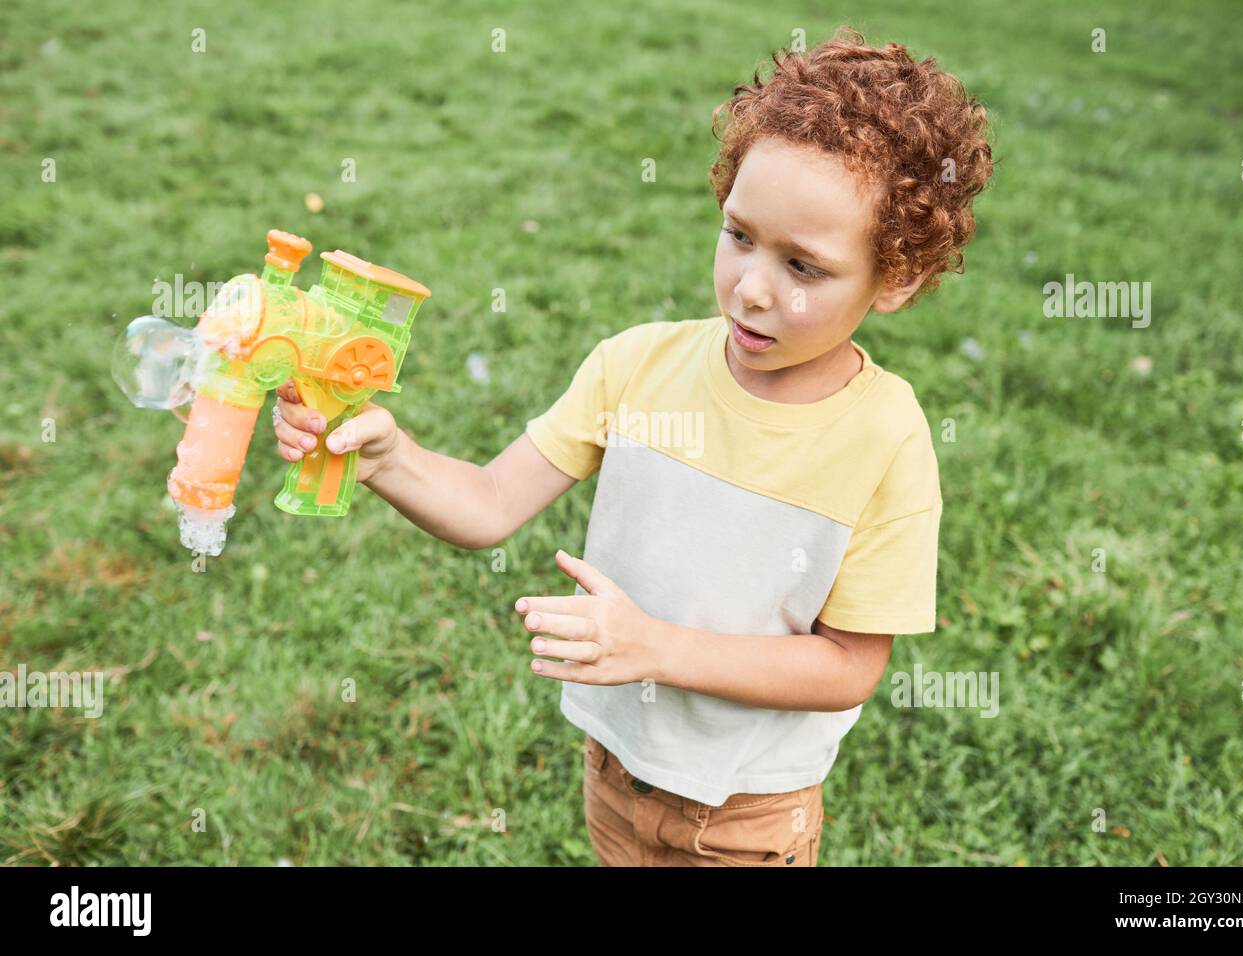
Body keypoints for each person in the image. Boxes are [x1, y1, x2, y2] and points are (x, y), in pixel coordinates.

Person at [271, 25, 993, 866]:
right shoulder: (636, 365)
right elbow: (489, 504)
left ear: (896, 276)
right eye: (740, 236)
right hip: (613, 771)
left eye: (804, 268)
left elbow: (848, 667)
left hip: (749, 812)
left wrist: (654, 648)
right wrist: (389, 458)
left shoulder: (885, 436)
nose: (752, 288)